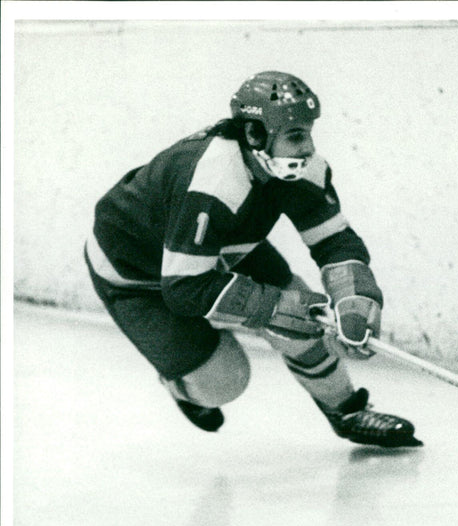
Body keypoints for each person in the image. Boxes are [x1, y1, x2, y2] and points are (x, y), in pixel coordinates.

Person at [84, 71, 422, 448]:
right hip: (133, 275)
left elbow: (336, 243)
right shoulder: (212, 180)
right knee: (225, 381)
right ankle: (184, 383)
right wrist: (273, 307)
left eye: (308, 132)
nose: (308, 148)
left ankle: (346, 410)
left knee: (305, 322)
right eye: (295, 135)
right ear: (254, 135)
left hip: (220, 251)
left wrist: (353, 298)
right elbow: (184, 288)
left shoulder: (300, 169)